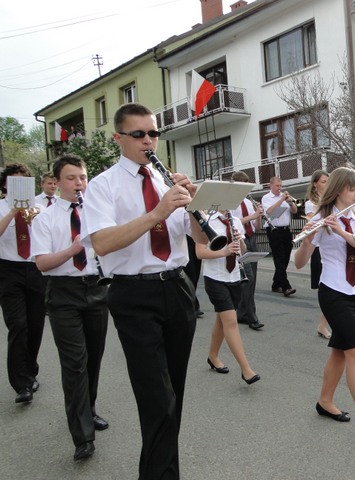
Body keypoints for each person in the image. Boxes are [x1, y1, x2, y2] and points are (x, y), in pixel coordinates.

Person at [82, 103, 209, 479]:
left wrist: (195, 207)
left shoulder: (166, 180)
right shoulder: (103, 185)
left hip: (178, 287)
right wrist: (157, 212)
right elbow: (102, 243)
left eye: (153, 133)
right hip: (134, 295)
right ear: (118, 138)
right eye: (138, 134)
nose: (148, 141)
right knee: (157, 400)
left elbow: (199, 240)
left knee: (174, 396)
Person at [294, 166, 355, 441]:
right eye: (352, 189)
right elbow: (300, 263)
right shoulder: (320, 218)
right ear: (339, 190)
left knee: (340, 351)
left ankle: (325, 401)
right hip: (332, 291)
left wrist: (342, 232)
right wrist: (307, 240)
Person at [31, 155, 109, 462]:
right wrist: (75, 248)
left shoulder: (96, 212)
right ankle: (83, 436)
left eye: (83, 177)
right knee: (75, 363)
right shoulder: (45, 218)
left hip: (96, 289)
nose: (79, 183)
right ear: (57, 182)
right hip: (63, 293)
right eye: (71, 178)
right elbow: (42, 264)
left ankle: (89, 410)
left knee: (93, 359)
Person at [0, 163, 47, 404]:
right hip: (8, 270)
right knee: (18, 325)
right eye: (13, 181)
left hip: (34, 268)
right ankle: (22, 384)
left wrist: (32, 217)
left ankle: (30, 369)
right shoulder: (1, 207)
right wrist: (12, 212)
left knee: (35, 324)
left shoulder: (38, 208)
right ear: (5, 185)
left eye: (22, 181)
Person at [196, 209, 260, 384]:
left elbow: (243, 250)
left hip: (234, 276)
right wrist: (224, 252)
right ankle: (246, 369)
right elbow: (200, 253)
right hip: (215, 277)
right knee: (230, 321)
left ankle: (213, 356)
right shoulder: (206, 220)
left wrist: (240, 240)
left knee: (222, 319)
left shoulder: (235, 221)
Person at [231, 171, 264, 330]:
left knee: (252, 279)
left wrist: (259, 215)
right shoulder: (231, 202)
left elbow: (256, 227)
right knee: (247, 278)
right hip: (240, 241)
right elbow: (234, 222)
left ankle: (242, 313)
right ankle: (252, 317)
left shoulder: (248, 202)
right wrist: (252, 216)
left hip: (251, 239)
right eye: (244, 185)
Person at [305, 169, 332, 339]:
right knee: (326, 289)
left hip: (330, 246)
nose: (327, 185)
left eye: (328, 181)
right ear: (315, 184)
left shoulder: (331, 200)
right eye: (323, 182)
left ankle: (326, 325)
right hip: (318, 247)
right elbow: (313, 223)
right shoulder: (311, 204)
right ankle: (323, 325)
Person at [261, 176, 297, 297]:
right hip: (273, 229)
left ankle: (276, 284)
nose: (279, 188)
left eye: (280, 186)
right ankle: (286, 286)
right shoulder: (266, 198)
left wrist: (290, 202)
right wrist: (281, 200)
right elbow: (269, 211)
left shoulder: (285, 197)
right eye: (277, 186)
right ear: (271, 185)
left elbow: (294, 211)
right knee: (279, 257)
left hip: (286, 229)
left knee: (285, 257)